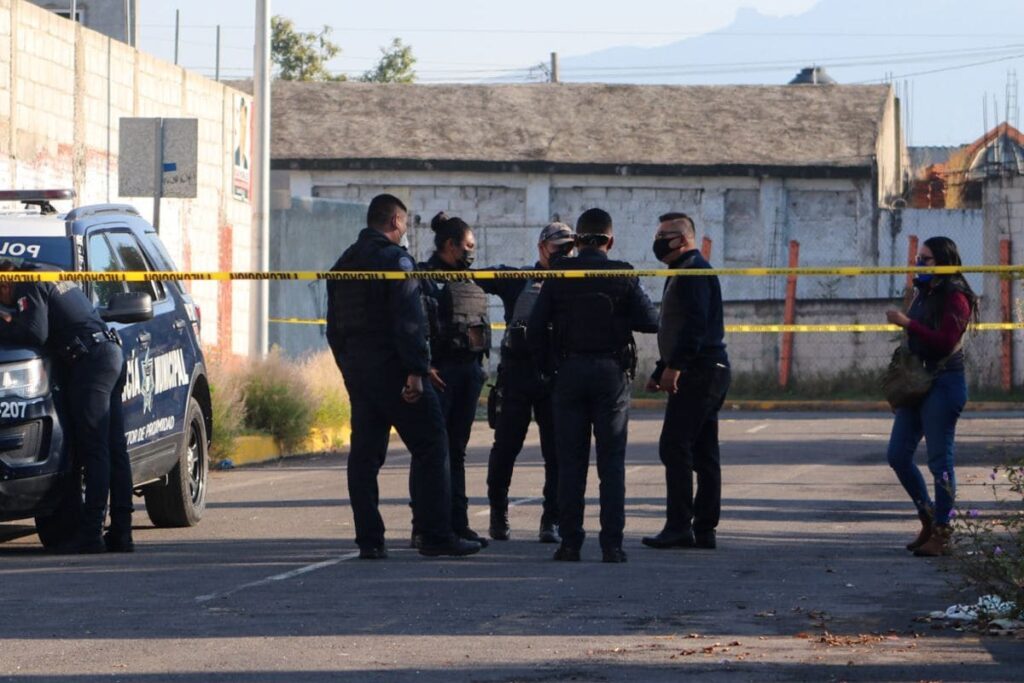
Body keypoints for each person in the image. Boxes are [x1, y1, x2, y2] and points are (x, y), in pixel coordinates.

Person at [326, 194, 480, 559]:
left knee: (364, 458)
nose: (406, 231)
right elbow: (410, 321)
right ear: (395, 222)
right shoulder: (396, 261)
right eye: (406, 224)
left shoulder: (343, 263)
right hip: (396, 372)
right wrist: (416, 370)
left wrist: (349, 371)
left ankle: (370, 540)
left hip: (360, 375)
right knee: (433, 444)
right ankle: (435, 534)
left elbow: (334, 329)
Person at [527, 208, 659, 563]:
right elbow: (650, 321)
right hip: (610, 374)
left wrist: (549, 371)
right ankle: (611, 546)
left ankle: (570, 543)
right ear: (610, 240)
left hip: (568, 373)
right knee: (611, 463)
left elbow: (535, 328)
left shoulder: (559, 274)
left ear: (577, 240)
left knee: (570, 463)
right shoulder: (622, 274)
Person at [0, 263, 132, 554]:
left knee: (94, 450)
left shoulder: (27, 281)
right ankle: (122, 532)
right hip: (108, 354)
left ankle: (90, 534)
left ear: (5, 282)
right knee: (113, 449)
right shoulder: (48, 272)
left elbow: (35, 333)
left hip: (91, 363)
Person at [478, 222, 575, 543]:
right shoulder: (519, 280)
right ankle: (498, 515)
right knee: (505, 448)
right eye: (558, 247)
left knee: (557, 453)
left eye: (569, 248)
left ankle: (551, 521)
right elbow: (481, 276)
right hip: (517, 377)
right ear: (541, 248)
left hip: (555, 378)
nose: (564, 253)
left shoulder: (573, 281)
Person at [640, 213, 731, 552]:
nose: (659, 240)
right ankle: (704, 530)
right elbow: (679, 329)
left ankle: (680, 526)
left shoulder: (693, 271)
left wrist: (675, 368)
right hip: (704, 368)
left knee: (674, 445)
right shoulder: (683, 270)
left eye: (665, 234)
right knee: (703, 452)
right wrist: (662, 368)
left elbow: (695, 326)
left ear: (683, 238)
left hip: (701, 370)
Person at [884, 236, 976, 557]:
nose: (919, 264)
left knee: (940, 460)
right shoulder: (924, 293)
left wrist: (907, 322)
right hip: (918, 382)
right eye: (918, 258)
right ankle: (927, 515)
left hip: (945, 381)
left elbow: (943, 341)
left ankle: (943, 530)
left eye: (925, 259)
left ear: (943, 262)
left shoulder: (956, 297)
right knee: (897, 454)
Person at [414, 212, 491, 549]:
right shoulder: (426, 277)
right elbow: (416, 322)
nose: (472, 252)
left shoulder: (467, 279)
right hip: (440, 372)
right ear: (450, 245)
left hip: (469, 370)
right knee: (431, 451)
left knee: (456, 452)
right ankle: (425, 525)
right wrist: (424, 365)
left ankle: (458, 523)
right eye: (468, 246)